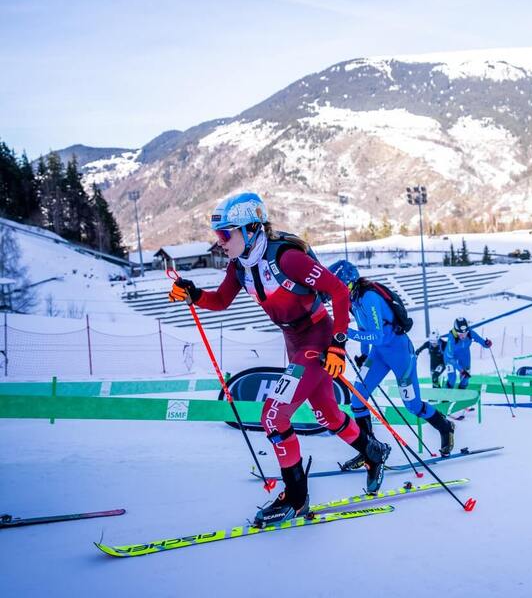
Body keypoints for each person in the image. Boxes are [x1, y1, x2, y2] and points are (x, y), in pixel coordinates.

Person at [167, 193, 390, 526]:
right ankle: (373, 453)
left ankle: (296, 498)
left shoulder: (286, 259)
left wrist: (338, 345)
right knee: (327, 414)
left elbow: (339, 292)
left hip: (317, 337)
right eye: (218, 235)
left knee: (274, 414)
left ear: (252, 228)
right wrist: (193, 293)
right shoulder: (240, 265)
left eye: (226, 234)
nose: (221, 242)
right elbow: (221, 301)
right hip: (294, 339)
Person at [328, 260, 457, 458]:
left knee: (412, 405)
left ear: (348, 282)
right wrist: (363, 354)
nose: (334, 293)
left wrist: (347, 333)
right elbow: (365, 329)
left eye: (337, 286)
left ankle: (445, 426)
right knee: (357, 399)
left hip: (400, 353)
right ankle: (370, 450)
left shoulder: (369, 297)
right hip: (378, 354)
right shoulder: (352, 301)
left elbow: (377, 335)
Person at [444, 317, 491, 389]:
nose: (463, 336)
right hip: (450, 358)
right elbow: (450, 358)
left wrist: (487, 344)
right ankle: (445, 395)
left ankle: (462, 394)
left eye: (465, 333)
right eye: (460, 333)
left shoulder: (470, 333)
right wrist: (461, 370)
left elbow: (482, 342)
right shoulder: (451, 338)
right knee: (452, 378)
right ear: (456, 332)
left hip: (464, 355)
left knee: (465, 378)